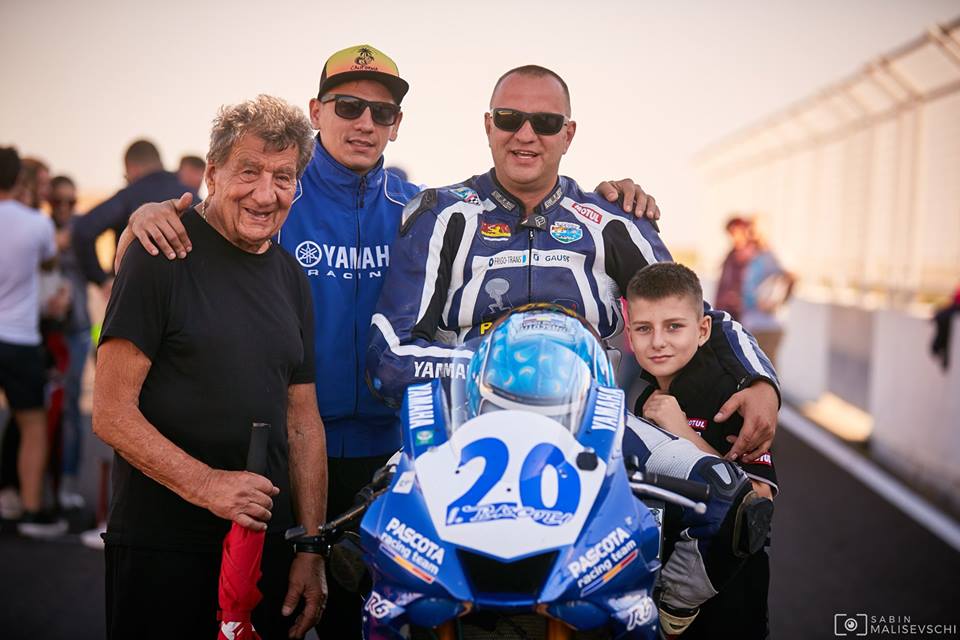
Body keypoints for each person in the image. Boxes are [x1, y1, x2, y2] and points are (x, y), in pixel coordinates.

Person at [114, 44, 661, 638]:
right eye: (348, 106)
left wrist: (611, 197)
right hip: (280, 463)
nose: (365, 123)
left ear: (397, 124)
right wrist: (144, 220)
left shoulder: (417, 206)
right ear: (317, 111)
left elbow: (673, 307)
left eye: (381, 112)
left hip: (379, 454)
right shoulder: (279, 197)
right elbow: (210, 222)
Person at [366, 64, 780, 464]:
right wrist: (494, 365)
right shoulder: (442, 215)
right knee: (380, 508)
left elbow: (695, 318)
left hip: (595, 439)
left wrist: (760, 381)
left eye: (545, 122)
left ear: (568, 134)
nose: (525, 135)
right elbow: (389, 358)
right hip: (464, 433)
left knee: (725, 494)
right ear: (489, 125)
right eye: (509, 119)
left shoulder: (614, 221)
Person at [92, 95, 328, 639]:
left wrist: (310, 547)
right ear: (213, 172)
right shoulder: (159, 252)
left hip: (263, 549)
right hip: (162, 547)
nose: (265, 194)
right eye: (249, 172)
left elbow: (302, 422)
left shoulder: (291, 276)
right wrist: (209, 486)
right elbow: (110, 412)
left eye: (283, 178)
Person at [626, 262, 777, 639]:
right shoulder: (645, 397)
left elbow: (757, 499)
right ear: (629, 335)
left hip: (728, 593)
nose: (657, 342)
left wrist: (680, 432)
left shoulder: (732, 396)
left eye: (674, 326)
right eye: (644, 329)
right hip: (666, 578)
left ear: (703, 329)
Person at [0, 146, 67, 537]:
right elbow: (49, 261)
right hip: (19, 337)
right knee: (32, 425)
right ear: (17, 180)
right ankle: (30, 510)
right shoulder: (36, 224)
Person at [71, 138, 193, 298]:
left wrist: (102, 280)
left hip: (136, 295)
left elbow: (83, 230)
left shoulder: (128, 196)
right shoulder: (192, 197)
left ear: (132, 168)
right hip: (186, 296)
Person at [47, 175, 93, 507]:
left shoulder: (81, 232)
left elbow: (96, 271)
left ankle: (67, 485)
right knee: (40, 413)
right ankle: (36, 486)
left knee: (71, 409)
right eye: (58, 201)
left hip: (76, 332)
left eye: (71, 202)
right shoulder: (40, 230)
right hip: (45, 333)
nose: (64, 208)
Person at [740, 226, 794, 369]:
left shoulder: (774, 254)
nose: (751, 235)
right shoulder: (755, 255)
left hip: (768, 326)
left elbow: (793, 275)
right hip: (752, 324)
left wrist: (777, 302)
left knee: (767, 371)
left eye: (755, 230)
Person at [715, 215, 753, 322]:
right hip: (726, 308)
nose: (733, 237)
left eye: (736, 233)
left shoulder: (753, 256)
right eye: (731, 234)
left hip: (744, 312)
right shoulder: (731, 255)